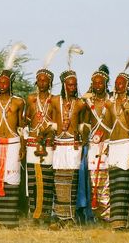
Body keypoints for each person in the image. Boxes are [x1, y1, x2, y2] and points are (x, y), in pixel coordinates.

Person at [0, 69, 25, 228]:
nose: (1, 85)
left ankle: (11, 220)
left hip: (13, 144)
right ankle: (0, 219)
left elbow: (21, 126)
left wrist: (22, 146)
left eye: (4, 82)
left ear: (10, 84)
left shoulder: (18, 102)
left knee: (12, 180)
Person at [51, 69, 86, 226]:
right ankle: (59, 216)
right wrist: (49, 134)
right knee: (58, 179)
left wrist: (82, 135)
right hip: (58, 144)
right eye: (70, 85)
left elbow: (85, 124)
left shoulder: (81, 103)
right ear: (64, 86)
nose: (73, 88)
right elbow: (50, 122)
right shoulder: (54, 101)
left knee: (72, 179)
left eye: (75, 85)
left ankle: (70, 217)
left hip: (73, 144)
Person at [107, 72, 129, 230]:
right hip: (113, 145)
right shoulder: (109, 103)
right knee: (114, 184)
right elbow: (107, 127)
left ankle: (124, 223)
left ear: (128, 86)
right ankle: (115, 222)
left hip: (127, 144)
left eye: (121, 83)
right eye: (116, 82)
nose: (117, 85)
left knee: (124, 183)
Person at [24, 68, 56, 225]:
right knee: (33, 180)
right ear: (36, 81)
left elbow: (57, 123)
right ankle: (34, 215)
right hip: (32, 143)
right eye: (40, 80)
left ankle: (46, 215)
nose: (42, 83)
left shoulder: (55, 100)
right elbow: (25, 122)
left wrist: (48, 131)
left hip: (48, 144)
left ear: (50, 83)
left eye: (45, 80)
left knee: (47, 180)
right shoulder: (30, 99)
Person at [84, 65, 112, 222]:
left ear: (106, 83)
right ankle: (95, 216)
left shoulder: (112, 101)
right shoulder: (88, 102)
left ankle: (107, 217)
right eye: (95, 82)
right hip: (93, 145)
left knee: (106, 182)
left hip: (108, 144)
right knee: (93, 180)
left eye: (100, 82)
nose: (97, 85)